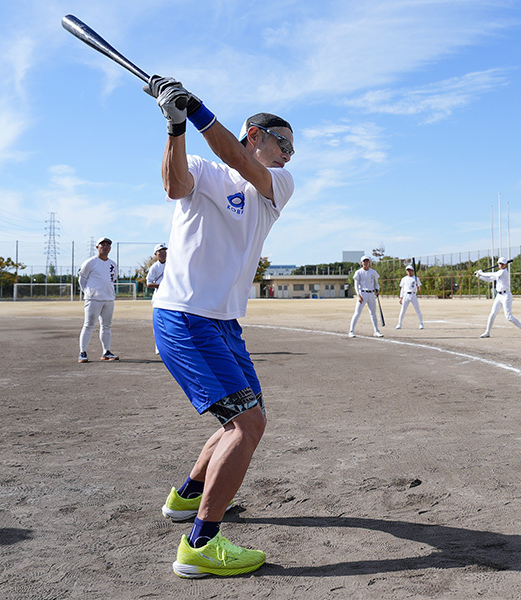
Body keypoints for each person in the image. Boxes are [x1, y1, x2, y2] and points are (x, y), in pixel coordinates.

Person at [144, 75, 294, 578]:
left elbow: (240, 162)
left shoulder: (277, 185)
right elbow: (174, 185)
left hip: (224, 323)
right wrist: (175, 124)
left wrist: (197, 108)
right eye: (283, 142)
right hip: (186, 315)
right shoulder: (205, 170)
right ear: (256, 132)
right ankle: (200, 544)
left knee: (247, 420)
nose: (290, 153)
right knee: (246, 424)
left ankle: (186, 498)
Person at [77, 237, 119, 363]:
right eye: (102, 244)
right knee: (89, 325)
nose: (105, 247)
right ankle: (82, 352)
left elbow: (113, 278)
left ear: (110, 248)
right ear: (97, 247)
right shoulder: (90, 262)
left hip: (109, 299)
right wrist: (88, 293)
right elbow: (82, 279)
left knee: (106, 326)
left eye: (108, 245)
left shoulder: (113, 264)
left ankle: (106, 351)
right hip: (93, 299)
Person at [475, 257, 521, 339]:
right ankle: (487, 332)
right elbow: (490, 279)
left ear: (506, 264)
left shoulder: (503, 272)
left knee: (508, 316)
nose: (500, 265)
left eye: (502, 264)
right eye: (499, 263)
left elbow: (493, 274)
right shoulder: (499, 272)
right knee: (492, 314)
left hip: (506, 295)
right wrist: (479, 276)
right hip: (499, 295)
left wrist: (481, 273)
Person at [349, 256, 383, 338]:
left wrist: (377, 289)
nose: (366, 263)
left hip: (371, 293)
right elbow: (356, 285)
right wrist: (358, 295)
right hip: (363, 293)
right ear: (361, 263)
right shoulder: (358, 272)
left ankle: (376, 331)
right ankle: (351, 331)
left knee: (373, 313)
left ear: (369, 262)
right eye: (364, 261)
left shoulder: (373, 272)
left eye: (367, 261)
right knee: (357, 313)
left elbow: (376, 283)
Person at [147, 243, 168, 354]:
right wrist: (161, 285)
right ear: (156, 254)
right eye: (160, 251)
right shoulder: (154, 267)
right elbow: (148, 283)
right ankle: (158, 347)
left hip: (170, 297)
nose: (163, 253)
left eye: (165, 251)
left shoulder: (171, 264)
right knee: (159, 323)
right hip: (159, 298)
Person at [396, 265, 424, 329]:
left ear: (413, 271)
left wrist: (418, 287)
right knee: (403, 310)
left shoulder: (416, 278)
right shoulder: (404, 279)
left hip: (413, 295)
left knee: (417, 310)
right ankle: (399, 323)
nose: (409, 272)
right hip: (406, 295)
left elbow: (419, 287)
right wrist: (401, 297)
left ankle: (421, 323)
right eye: (408, 270)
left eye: (410, 270)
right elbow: (402, 289)